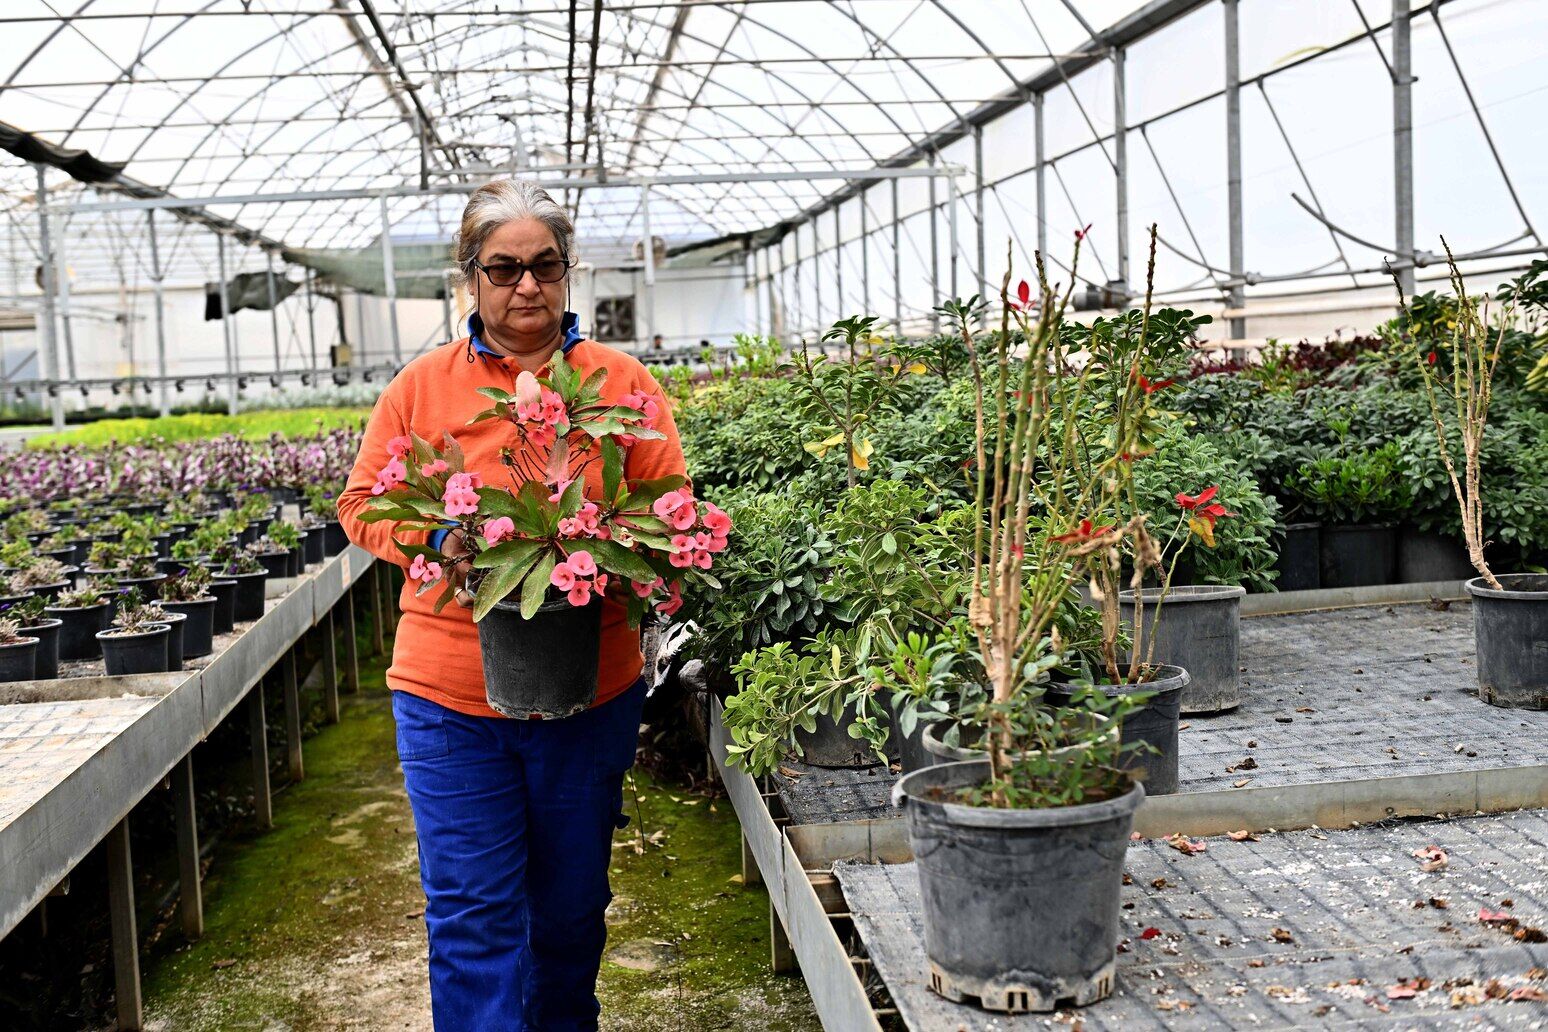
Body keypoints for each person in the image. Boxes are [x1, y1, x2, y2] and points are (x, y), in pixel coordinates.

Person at [337, 179, 686, 1032]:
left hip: (589, 689)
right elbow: (360, 502)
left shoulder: (620, 383)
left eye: (545, 265)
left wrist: (619, 548)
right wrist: (436, 540)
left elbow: (670, 504)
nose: (527, 285)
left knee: (570, 915)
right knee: (472, 915)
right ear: (471, 278)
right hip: (448, 696)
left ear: (567, 273)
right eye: (503, 268)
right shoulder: (422, 387)